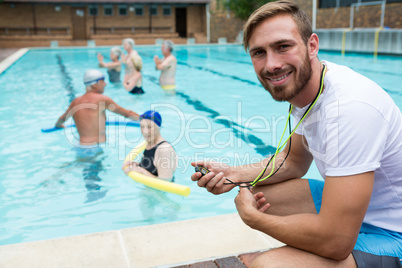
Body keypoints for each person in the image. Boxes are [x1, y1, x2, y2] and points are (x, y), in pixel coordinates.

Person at [191, 1, 402, 267]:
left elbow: (336, 242)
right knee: (261, 194)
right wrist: (232, 174)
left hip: (395, 235)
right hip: (362, 213)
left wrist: (257, 221)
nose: (271, 65)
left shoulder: (350, 109)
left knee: (267, 265)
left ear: (311, 45)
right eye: (259, 53)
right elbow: (293, 162)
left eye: (283, 47)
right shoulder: (309, 91)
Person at [55, 69, 140, 150]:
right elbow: (127, 113)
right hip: (94, 147)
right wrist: (145, 119)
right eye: (102, 81)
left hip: (79, 146)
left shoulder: (75, 102)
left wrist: (58, 125)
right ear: (94, 84)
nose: (105, 84)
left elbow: (62, 119)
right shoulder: (102, 100)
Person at [123, 110, 177, 182]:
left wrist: (141, 171)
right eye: (142, 127)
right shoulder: (150, 143)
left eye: (149, 127)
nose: (145, 132)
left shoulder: (164, 149)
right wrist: (137, 165)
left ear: (159, 127)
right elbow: (153, 168)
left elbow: (166, 182)